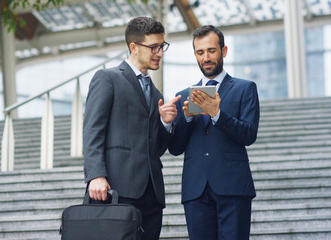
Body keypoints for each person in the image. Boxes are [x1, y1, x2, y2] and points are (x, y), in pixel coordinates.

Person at [83, 16, 181, 240]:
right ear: (134, 47)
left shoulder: (156, 94)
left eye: (162, 46)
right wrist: (95, 175)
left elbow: (152, 148)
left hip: (152, 194)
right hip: (116, 189)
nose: (159, 53)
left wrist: (165, 123)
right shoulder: (107, 78)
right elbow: (92, 131)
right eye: (153, 47)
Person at [168, 25, 260, 239]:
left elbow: (249, 135)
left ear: (224, 51)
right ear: (195, 55)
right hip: (195, 190)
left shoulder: (244, 88)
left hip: (234, 188)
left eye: (211, 50)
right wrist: (188, 118)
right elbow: (175, 148)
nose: (206, 57)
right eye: (200, 52)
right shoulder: (183, 96)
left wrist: (217, 114)